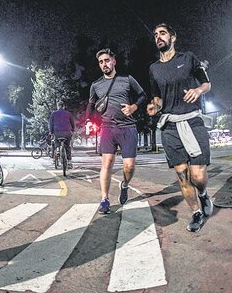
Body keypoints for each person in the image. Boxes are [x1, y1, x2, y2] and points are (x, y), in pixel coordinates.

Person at [147, 23, 213, 232]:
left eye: (163, 33)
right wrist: (153, 107)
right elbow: (157, 98)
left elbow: (206, 83)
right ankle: (196, 213)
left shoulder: (188, 58)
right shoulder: (154, 68)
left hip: (193, 121)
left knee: (198, 176)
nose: (158, 37)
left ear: (173, 38)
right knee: (182, 176)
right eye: (156, 35)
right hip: (170, 127)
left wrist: (198, 90)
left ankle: (203, 195)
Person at [85, 48, 147, 214]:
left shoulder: (127, 79)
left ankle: (124, 185)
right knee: (106, 164)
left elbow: (142, 95)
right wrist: (89, 121)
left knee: (129, 166)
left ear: (114, 61)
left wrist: (134, 107)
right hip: (107, 128)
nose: (104, 64)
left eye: (106, 60)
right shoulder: (96, 85)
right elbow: (91, 104)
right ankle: (104, 199)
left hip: (128, 127)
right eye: (100, 62)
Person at [49, 101, 75, 168]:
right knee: (67, 146)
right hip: (67, 132)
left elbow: (51, 124)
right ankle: (69, 162)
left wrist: (51, 132)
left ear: (58, 106)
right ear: (63, 106)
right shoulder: (68, 114)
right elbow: (72, 123)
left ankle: (57, 150)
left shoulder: (53, 114)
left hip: (57, 132)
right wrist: (73, 130)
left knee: (56, 142)